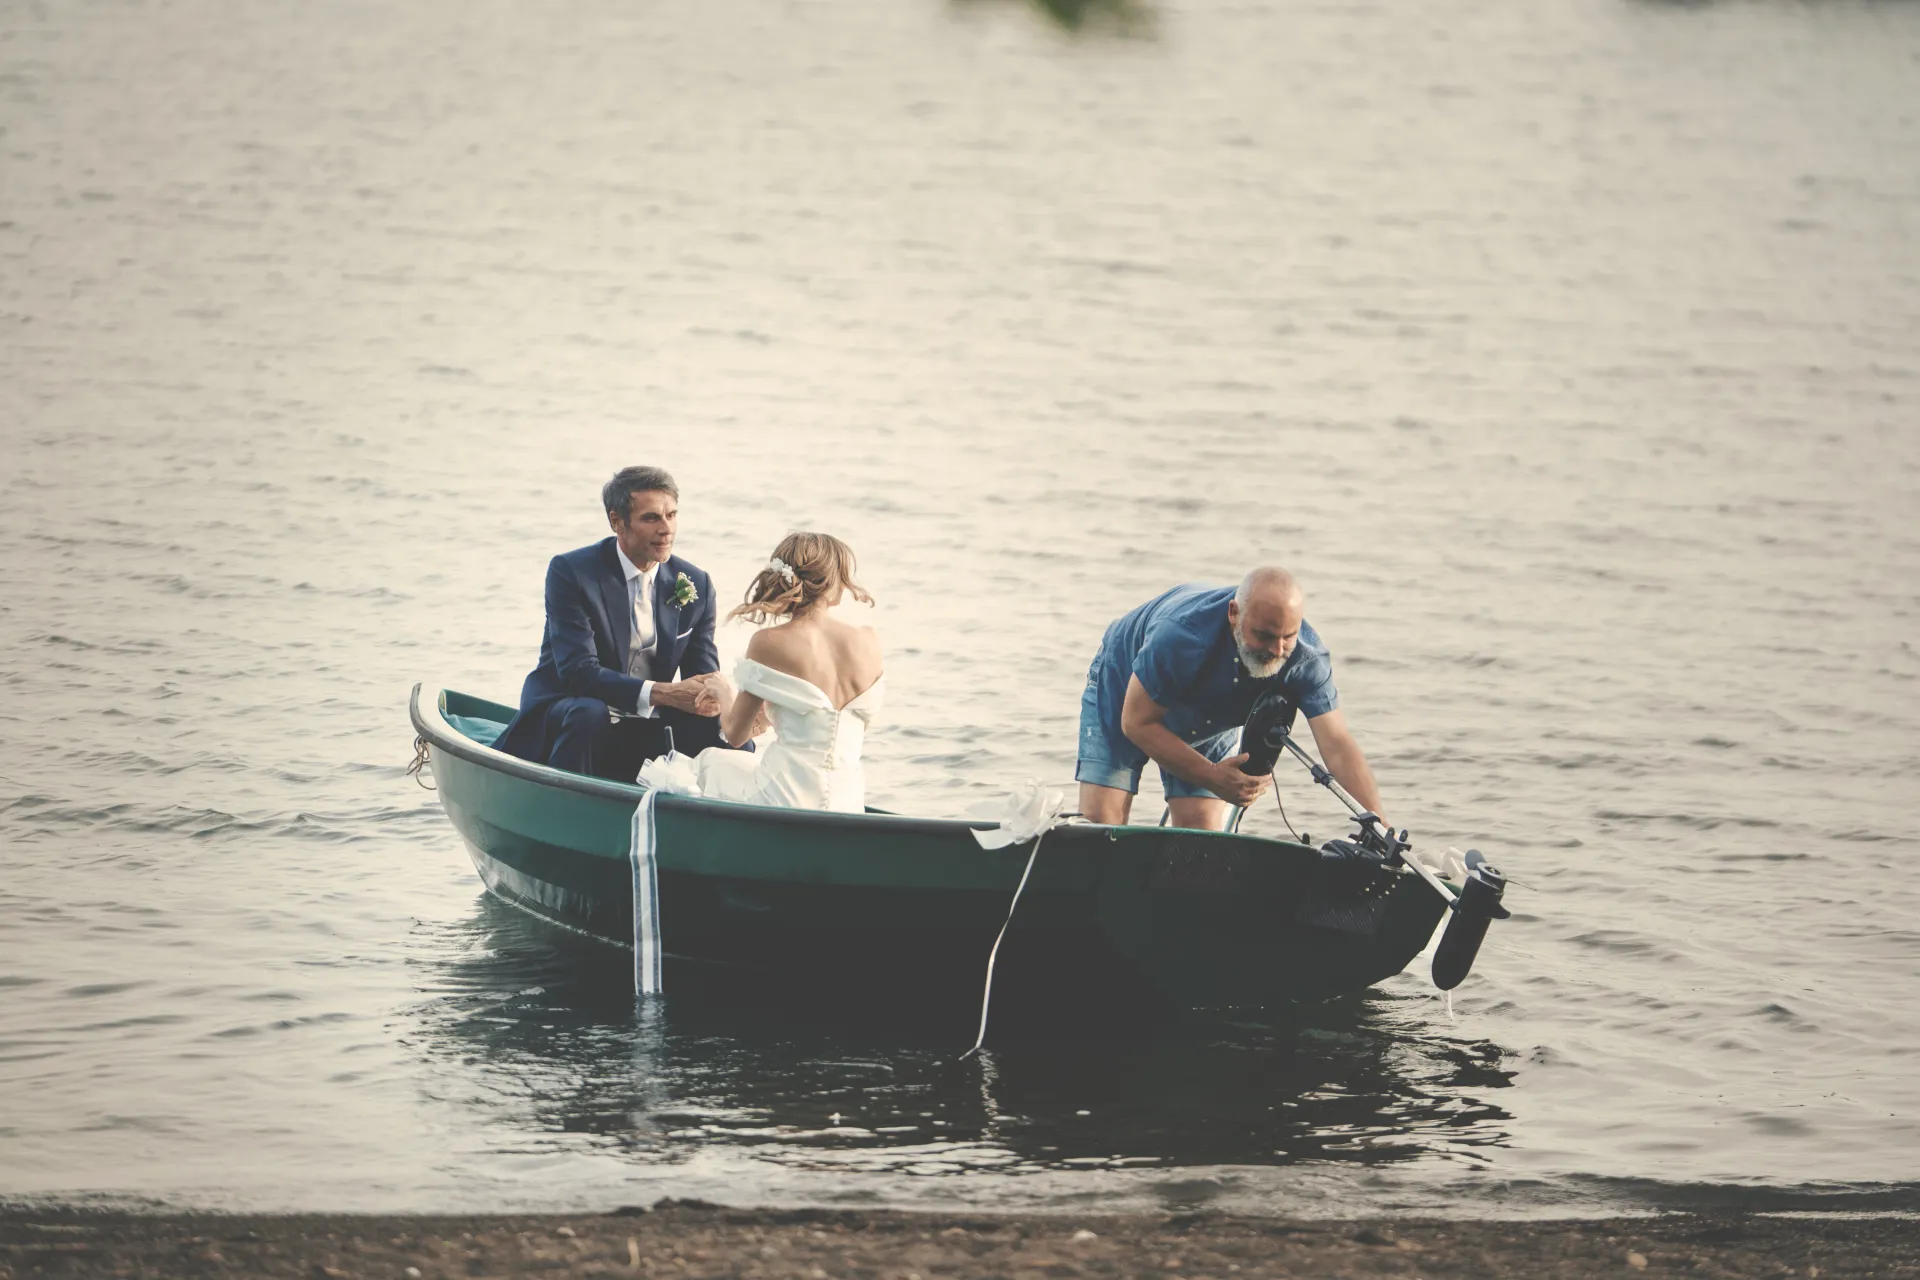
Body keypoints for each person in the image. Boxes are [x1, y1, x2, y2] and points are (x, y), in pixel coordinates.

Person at [1076, 566, 1385, 831]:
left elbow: (1337, 743)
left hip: (1210, 716)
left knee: (1199, 839)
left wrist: (1380, 828)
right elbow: (1136, 723)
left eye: (1288, 636)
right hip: (1124, 693)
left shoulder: (1307, 659)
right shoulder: (1183, 635)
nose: (1277, 651)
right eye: (1264, 635)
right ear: (1234, 614)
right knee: (1103, 823)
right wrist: (1211, 776)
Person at [492, 466, 745, 781]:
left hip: (648, 722)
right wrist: (663, 693)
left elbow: (700, 677)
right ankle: (564, 800)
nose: (666, 529)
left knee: (727, 734)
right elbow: (578, 673)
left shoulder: (696, 583)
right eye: (651, 518)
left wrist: (731, 705)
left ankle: (725, 806)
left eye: (671, 515)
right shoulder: (572, 572)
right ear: (617, 522)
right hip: (571, 711)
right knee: (589, 713)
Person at [697, 533, 884, 813]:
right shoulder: (870, 641)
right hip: (848, 802)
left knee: (708, 762)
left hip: (783, 797)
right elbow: (844, 725)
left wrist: (724, 693)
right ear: (831, 582)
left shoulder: (768, 642)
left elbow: (736, 734)